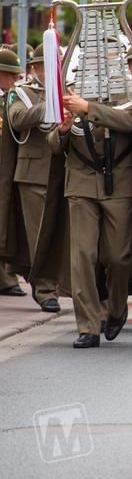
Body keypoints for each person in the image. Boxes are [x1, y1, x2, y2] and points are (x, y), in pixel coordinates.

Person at [48, 41, 132, 348]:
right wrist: (64, 128)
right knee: (83, 257)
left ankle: (117, 307)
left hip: (121, 182)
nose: (99, 57)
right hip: (81, 182)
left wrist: (89, 109)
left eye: (106, 51)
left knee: (118, 257)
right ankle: (89, 326)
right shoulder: (71, 88)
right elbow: (53, 143)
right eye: (94, 52)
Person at [6, 46, 66, 311]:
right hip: (35, 174)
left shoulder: (69, 90)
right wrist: (50, 103)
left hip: (65, 171)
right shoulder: (21, 92)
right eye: (47, 64)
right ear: (34, 68)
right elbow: (17, 119)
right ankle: (44, 290)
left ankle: (61, 283)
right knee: (39, 234)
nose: (54, 69)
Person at [0, 48, 29, 296]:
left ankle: (7, 277)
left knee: (5, 221)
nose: (15, 79)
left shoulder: (10, 98)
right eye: (10, 74)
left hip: (6, 168)